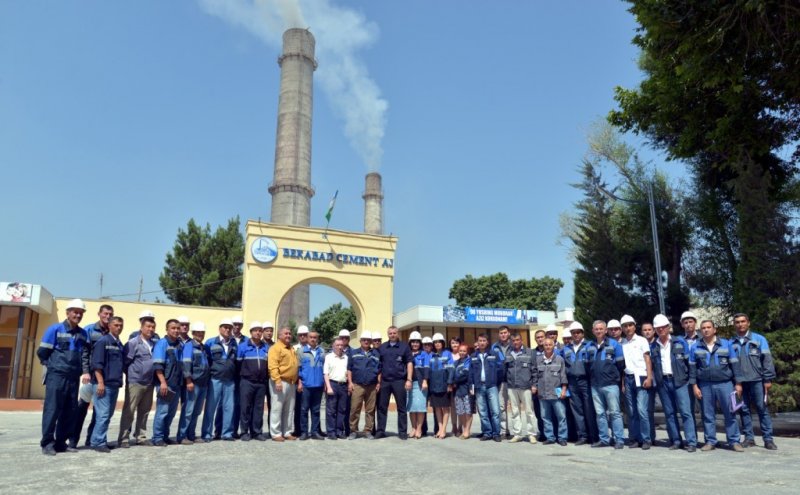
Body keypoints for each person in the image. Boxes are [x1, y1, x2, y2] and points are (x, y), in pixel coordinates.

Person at [38, 299, 88, 455]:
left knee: (70, 410)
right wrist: (53, 367)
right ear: (67, 313)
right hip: (57, 376)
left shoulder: (83, 334)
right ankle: (47, 443)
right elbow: (42, 353)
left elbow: (84, 355)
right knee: (52, 409)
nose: (78, 315)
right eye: (75, 312)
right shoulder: (55, 329)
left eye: (80, 313)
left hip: (73, 377)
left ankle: (61, 443)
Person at [689, 319, 744, 452]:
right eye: (703, 328)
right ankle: (710, 441)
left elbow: (735, 365)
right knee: (707, 414)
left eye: (709, 327)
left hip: (725, 384)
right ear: (700, 331)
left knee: (730, 412)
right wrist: (694, 386)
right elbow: (692, 369)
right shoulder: (695, 347)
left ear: (714, 329)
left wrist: (738, 383)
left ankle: (734, 441)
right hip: (705, 385)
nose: (706, 330)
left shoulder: (726, 344)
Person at [650, 314, 697, 452]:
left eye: (663, 327)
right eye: (658, 328)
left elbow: (690, 363)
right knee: (669, 413)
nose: (661, 330)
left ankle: (691, 442)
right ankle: (676, 440)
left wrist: (690, 380)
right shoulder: (653, 346)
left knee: (686, 412)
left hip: (680, 382)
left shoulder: (680, 342)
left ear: (668, 327)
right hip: (663, 383)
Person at [731, 313, 777, 450]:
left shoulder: (759, 339)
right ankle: (749, 438)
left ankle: (768, 439)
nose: (740, 324)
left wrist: (767, 378)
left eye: (743, 321)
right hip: (740, 383)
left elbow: (767, 360)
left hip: (757, 380)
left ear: (748, 323)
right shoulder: (731, 342)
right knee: (743, 410)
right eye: (737, 322)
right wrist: (735, 382)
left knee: (762, 409)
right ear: (734, 324)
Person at [69, 303, 113, 449]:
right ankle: (73, 440)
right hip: (91, 376)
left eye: (110, 314)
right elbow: (84, 353)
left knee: (99, 412)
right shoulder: (89, 330)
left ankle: (91, 439)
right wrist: (85, 371)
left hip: (105, 377)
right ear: (99, 314)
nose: (108, 316)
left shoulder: (112, 331)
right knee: (81, 409)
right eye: (105, 313)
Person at [118, 312, 158, 447]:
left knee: (145, 411)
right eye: (148, 326)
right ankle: (123, 438)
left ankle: (140, 436)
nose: (150, 329)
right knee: (129, 410)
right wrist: (134, 374)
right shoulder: (133, 343)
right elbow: (126, 362)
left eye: (153, 327)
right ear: (141, 327)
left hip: (149, 382)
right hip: (135, 382)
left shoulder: (154, 344)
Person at [89, 316, 124, 452]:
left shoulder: (119, 343)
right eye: (116, 325)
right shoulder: (103, 341)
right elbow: (96, 364)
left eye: (120, 325)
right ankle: (98, 443)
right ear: (109, 326)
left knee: (107, 415)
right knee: (103, 415)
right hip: (103, 385)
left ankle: (98, 440)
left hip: (114, 384)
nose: (119, 327)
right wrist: (100, 383)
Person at [589, 320, 626, 449]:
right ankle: (604, 439)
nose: (599, 331)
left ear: (606, 330)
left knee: (615, 413)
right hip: (595, 385)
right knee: (600, 414)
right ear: (593, 331)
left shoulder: (615, 344)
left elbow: (621, 365)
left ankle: (619, 439)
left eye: (601, 329)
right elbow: (588, 365)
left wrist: (615, 378)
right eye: (596, 329)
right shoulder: (590, 346)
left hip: (611, 384)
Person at [620, 314, 655, 449]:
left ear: (634, 326)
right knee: (632, 411)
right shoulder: (622, 343)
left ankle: (646, 439)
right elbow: (623, 365)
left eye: (630, 325)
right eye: (625, 326)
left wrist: (649, 377)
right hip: (628, 378)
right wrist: (623, 382)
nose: (628, 328)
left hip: (641, 376)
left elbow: (647, 359)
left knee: (641, 409)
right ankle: (635, 438)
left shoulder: (641, 340)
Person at [562, 321, 598, 446]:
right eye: (573, 333)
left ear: (582, 333)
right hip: (572, 382)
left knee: (589, 409)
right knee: (577, 410)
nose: (576, 335)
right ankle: (582, 436)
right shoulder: (566, 348)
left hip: (585, 381)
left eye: (578, 332)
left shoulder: (590, 345)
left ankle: (593, 436)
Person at [202, 319, 237, 442]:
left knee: (229, 408)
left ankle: (227, 433)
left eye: (229, 328)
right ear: (219, 328)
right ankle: (207, 434)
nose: (227, 330)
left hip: (229, 381)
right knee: (210, 408)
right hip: (215, 380)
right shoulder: (210, 342)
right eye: (225, 327)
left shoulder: (234, 343)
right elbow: (206, 361)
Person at [376, 326, 413, 439]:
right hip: (385, 382)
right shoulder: (382, 348)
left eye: (394, 333)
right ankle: (380, 431)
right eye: (390, 333)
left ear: (398, 334)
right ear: (388, 334)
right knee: (382, 408)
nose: (392, 335)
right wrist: (378, 382)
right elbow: (379, 366)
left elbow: (409, 363)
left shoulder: (404, 347)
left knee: (401, 408)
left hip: (399, 381)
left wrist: (409, 379)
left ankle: (402, 432)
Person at [151, 319, 184, 446]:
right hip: (165, 384)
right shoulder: (162, 344)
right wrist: (163, 383)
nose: (176, 330)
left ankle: (165, 436)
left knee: (171, 413)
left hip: (176, 384)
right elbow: (158, 366)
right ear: (167, 329)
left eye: (178, 328)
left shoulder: (179, 344)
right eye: (173, 328)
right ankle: (157, 437)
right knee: (162, 412)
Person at [177, 321, 210, 445]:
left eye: (202, 332)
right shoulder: (189, 346)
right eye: (198, 332)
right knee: (188, 411)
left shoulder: (203, 347)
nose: (200, 334)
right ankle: (182, 436)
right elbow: (186, 364)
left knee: (196, 411)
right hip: (193, 383)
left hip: (203, 383)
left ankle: (191, 435)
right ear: (193, 333)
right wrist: (188, 380)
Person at [236, 321, 269, 441]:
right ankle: (244, 432)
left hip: (261, 383)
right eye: (255, 330)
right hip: (247, 381)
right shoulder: (243, 346)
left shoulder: (266, 347)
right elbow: (238, 364)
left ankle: (256, 432)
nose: (258, 333)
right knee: (245, 407)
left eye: (260, 330)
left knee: (258, 408)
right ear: (251, 332)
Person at [469, 333, 504, 442]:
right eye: (480, 341)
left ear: (487, 342)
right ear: (477, 342)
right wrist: (471, 385)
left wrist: (495, 382)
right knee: (483, 412)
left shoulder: (494, 354)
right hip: (479, 387)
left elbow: (500, 369)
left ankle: (496, 433)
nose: (482, 343)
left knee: (495, 411)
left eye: (484, 340)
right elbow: (470, 372)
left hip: (491, 386)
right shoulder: (473, 356)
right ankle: (487, 432)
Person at [534, 337, 568, 446]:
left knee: (561, 417)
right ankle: (550, 437)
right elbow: (535, 376)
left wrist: (564, 389)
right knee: (545, 417)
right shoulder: (538, 360)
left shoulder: (559, 359)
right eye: (546, 345)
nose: (548, 347)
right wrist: (534, 386)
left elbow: (563, 376)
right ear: (543, 346)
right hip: (543, 394)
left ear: (554, 346)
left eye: (550, 345)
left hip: (556, 393)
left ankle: (562, 438)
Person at [504, 333, 537, 443]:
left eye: (517, 340)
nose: (515, 342)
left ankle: (531, 434)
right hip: (512, 386)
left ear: (521, 340)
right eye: (513, 340)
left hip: (526, 386)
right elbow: (506, 369)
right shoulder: (508, 353)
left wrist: (534, 385)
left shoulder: (529, 352)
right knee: (515, 411)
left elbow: (534, 370)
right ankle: (517, 434)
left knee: (529, 411)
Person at [268, 326, 299, 442]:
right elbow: (273, 366)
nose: (288, 335)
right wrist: (277, 380)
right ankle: (276, 433)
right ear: (279, 336)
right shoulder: (275, 348)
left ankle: (287, 431)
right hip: (280, 381)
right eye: (286, 333)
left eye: (290, 333)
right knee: (277, 408)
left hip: (291, 382)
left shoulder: (291, 348)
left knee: (289, 409)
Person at [348, 331, 381, 439]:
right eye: (364, 340)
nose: (366, 341)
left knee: (370, 410)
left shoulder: (376, 354)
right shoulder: (353, 353)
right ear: (360, 341)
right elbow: (349, 369)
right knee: (355, 409)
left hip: (371, 386)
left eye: (368, 340)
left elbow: (379, 370)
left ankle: (368, 431)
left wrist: (378, 383)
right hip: (357, 385)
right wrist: (350, 382)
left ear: (371, 341)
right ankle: (353, 430)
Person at [298, 330, 325, 440]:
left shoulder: (322, 351)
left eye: (315, 337)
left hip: (318, 385)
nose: (313, 339)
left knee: (316, 410)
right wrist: (299, 382)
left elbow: (325, 368)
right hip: (306, 385)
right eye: (311, 337)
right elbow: (298, 368)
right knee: (304, 409)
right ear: (307, 338)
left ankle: (314, 432)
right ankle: (304, 432)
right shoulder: (301, 351)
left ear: (317, 339)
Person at [429, 333, 454, 439]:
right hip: (434, 386)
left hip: (444, 385)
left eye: (439, 342)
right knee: (437, 408)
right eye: (435, 342)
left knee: (445, 408)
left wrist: (449, 383)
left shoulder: (447, 354)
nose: (437, 344)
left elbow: (451, 370)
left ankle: (444, 429)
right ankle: (440, 428)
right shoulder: (432, 355)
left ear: (443, 343)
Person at [324, 337, 350, 439]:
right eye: (337, 345)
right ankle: (331, 432)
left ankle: (339, 431)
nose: (340, 347)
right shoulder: (329, 357)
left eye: (341, 345)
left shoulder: (346, 357)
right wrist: (328, 387)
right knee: (331, 410)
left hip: (343, 385)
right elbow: (326, 373)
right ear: (333, 346)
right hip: (332, 384)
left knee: (342, 410)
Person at [680, 310, 700, 433]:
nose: (688, 324)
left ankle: (710, 439)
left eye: (690, 322)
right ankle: (693, 438)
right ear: (682, 325)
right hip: (686, 379)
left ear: (695, 323)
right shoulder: (679, 341)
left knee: (707, 410)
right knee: (688, 410)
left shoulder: (703, 338)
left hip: (702, 377)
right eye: (686, 322)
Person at [491, 326, 512, 438]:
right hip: (501, 381)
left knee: (516, 407)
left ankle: (518, 432)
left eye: (505, 332)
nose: (503, 335)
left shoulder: (514, 345)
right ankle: (504, 430)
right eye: (501, 333)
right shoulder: (494, 347)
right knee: (502, 407)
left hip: (514, 380)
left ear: (509, 333)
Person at [407, 333, 429, 439]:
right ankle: (413, 428)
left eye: (417, 342)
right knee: (411, 407)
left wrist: (425, 380)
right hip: (409, 383)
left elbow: (426, 368)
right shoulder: (407, 353)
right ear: (410, 343)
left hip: (420, 384)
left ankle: (419, 429)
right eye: (413, 342)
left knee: (420, 407)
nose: (415, 344)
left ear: (420, 343)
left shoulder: (424, 354)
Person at [291, 325, 310, 437]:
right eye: (300, 335)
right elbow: (295, 367)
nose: (303, 337)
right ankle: (298, 430)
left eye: (305, 335)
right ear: (298, 336)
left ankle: (313, 430)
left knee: (312, 408)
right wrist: (299, 381)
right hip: (298, 381)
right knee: (298, 407)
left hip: (310, 382)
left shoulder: (312, 348)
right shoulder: (294, 348)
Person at [453, 344, 473, 439]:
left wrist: (454, 380)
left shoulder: (469, 361)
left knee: (468, 411)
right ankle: (464, 429)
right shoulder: (456, 362)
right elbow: (452, 373)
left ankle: (467, 431)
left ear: (467, 352)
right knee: (460, 411)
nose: (462, 352)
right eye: (460, 351)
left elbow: (465, 374)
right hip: (458, 390)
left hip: (467, 389)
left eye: (464, 351)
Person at [531, 329, 546, 441]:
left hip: (550, 387)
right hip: (536, 387)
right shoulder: (532, 353)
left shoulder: (550, 350)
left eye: (542, 337)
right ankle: (543, 433)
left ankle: (553, 433)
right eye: (538, 337)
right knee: (539, 412)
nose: (540, 339)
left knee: (550, 411)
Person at [449, 336, 463, 436]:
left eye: (457, 343)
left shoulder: (463, 354)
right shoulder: (448, 355)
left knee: (460, 406)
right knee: (453, 406)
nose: (455, 345)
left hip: (461, 385)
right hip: (451, 385)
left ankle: (460, 426)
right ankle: (454, 425)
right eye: (453, 343)